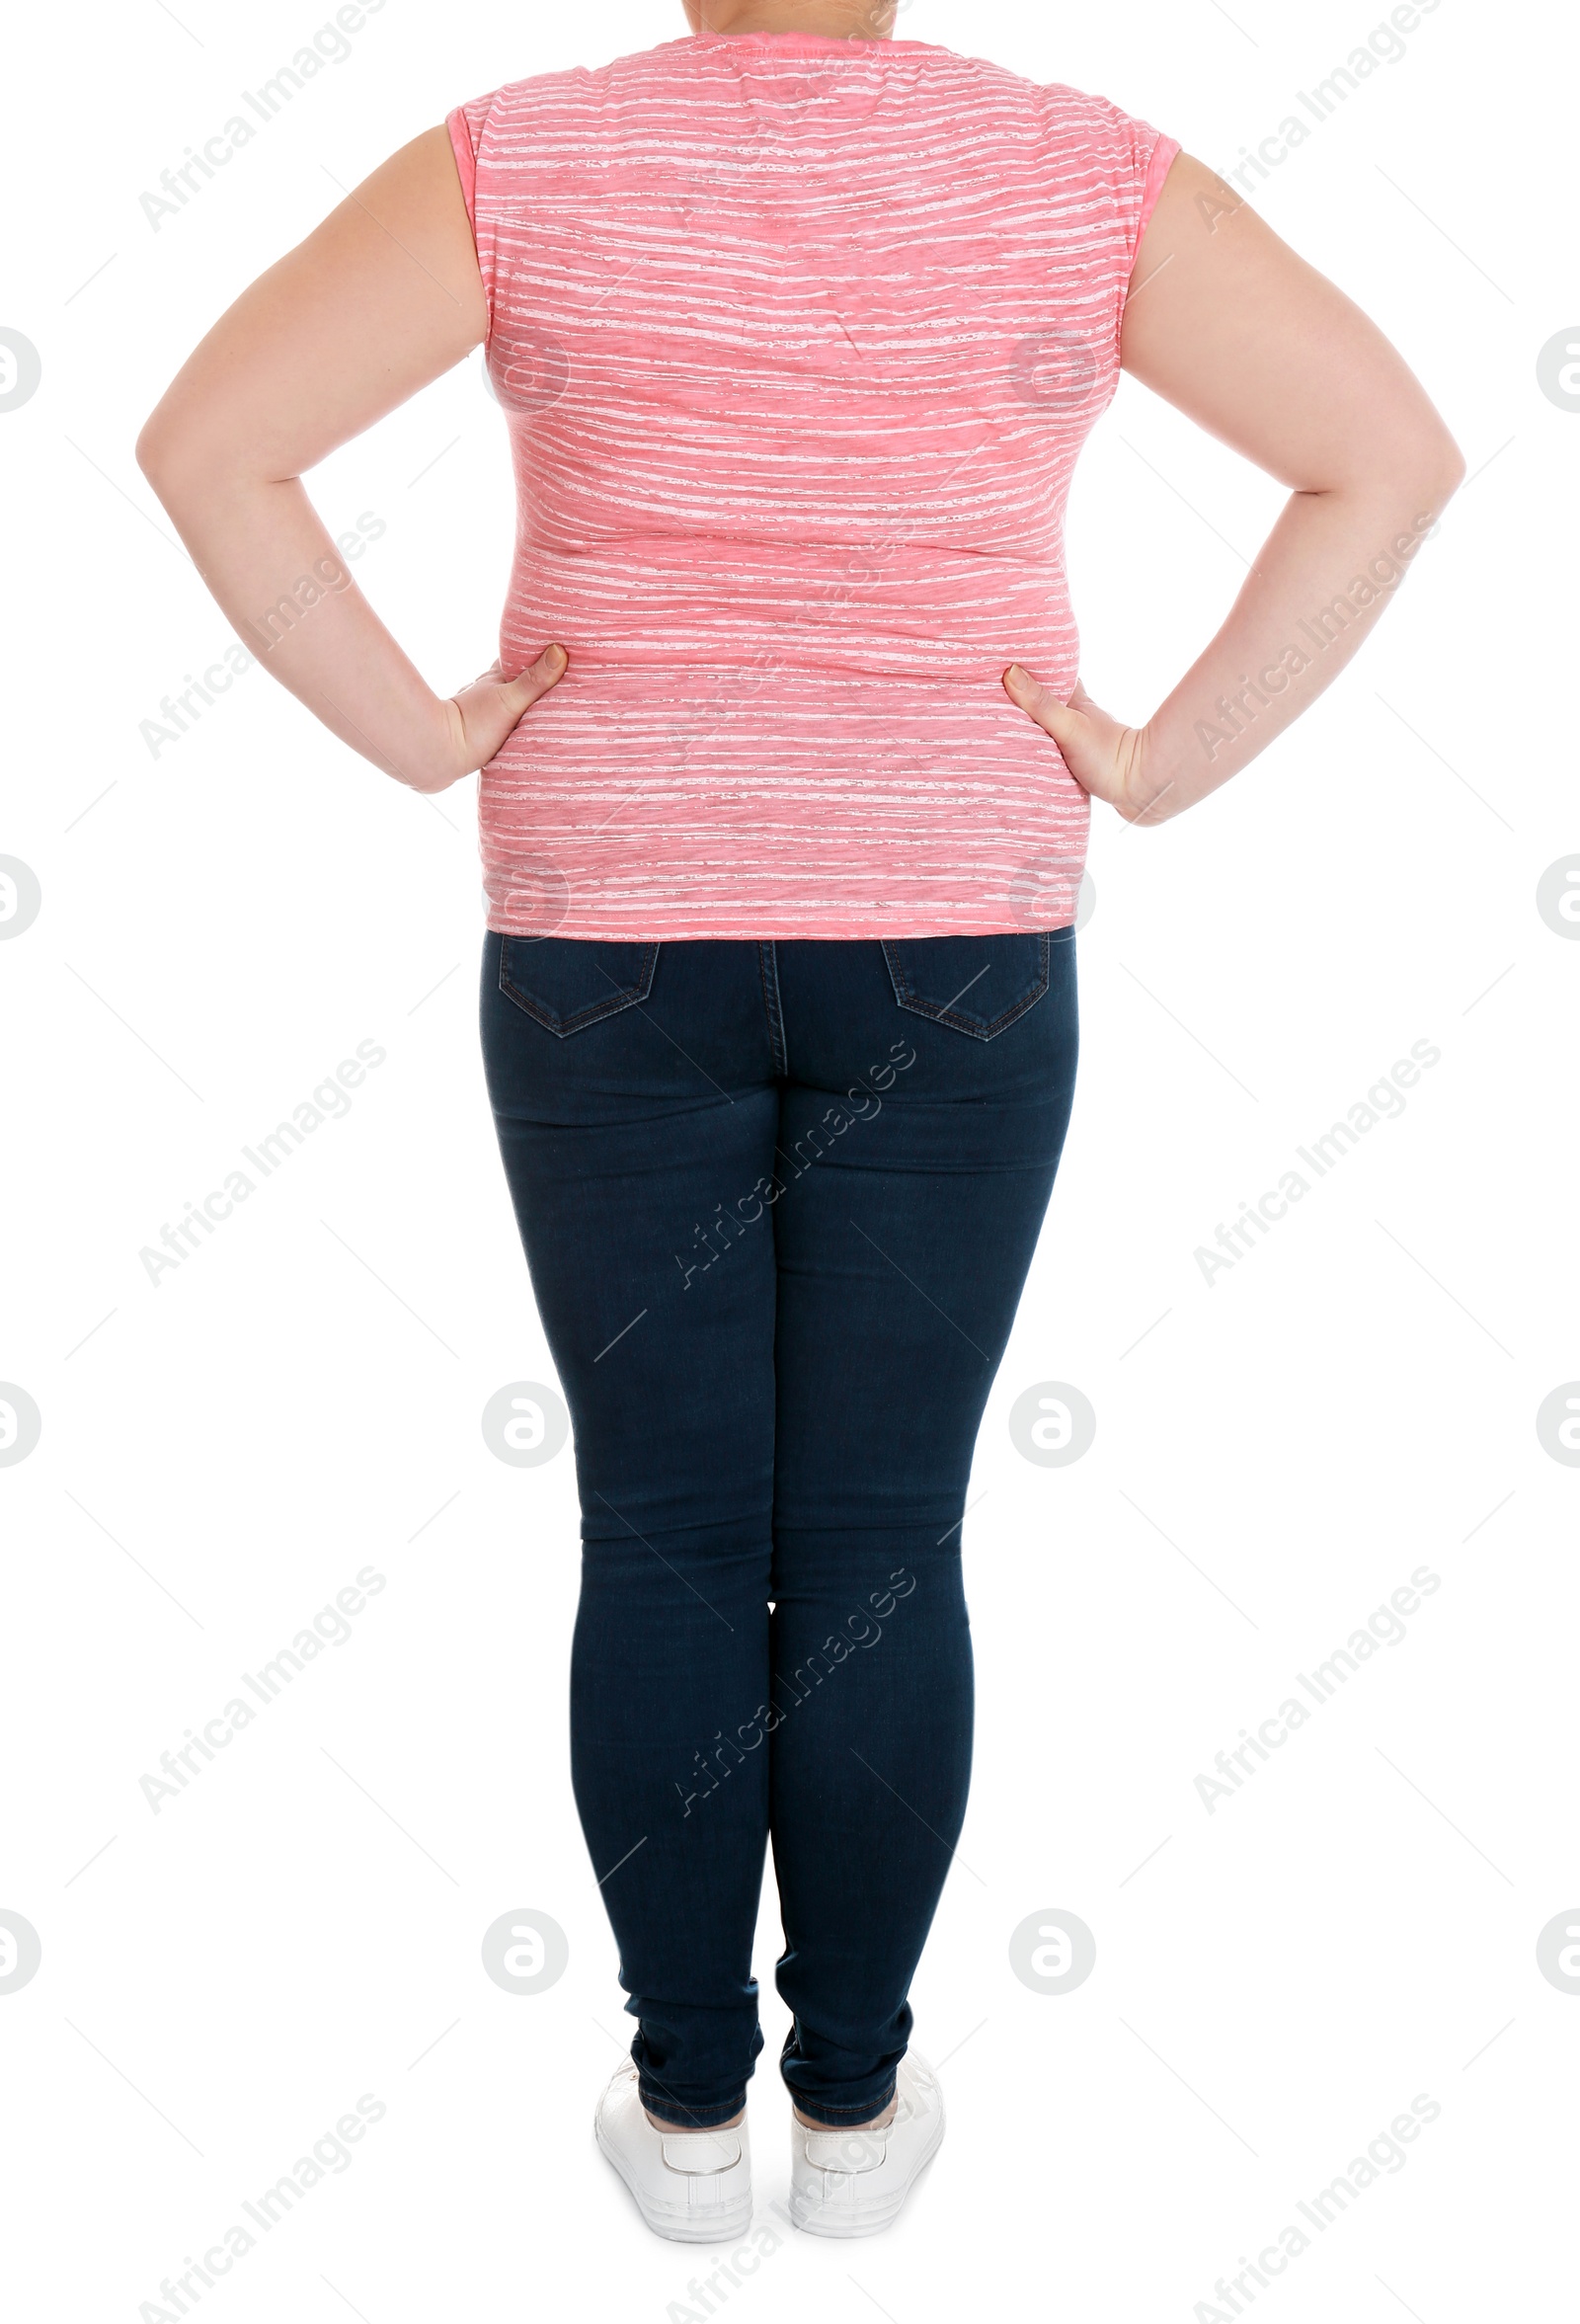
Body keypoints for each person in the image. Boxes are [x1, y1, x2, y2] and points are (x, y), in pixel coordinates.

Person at [135, 0, 1463, 2245]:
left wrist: (429, 734)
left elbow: (205, 443)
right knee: (871, 1545)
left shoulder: (524, 154)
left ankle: (678, 2117)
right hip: (948, 930)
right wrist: (1151, 759)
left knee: (663, 1538)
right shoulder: (1068, 164)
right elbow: (1390, 452)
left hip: (603, 937)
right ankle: (849, 2115)